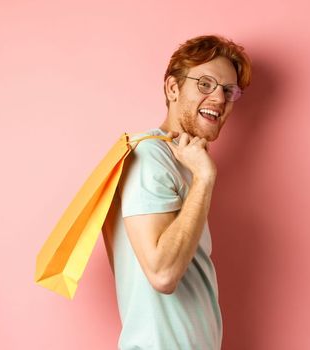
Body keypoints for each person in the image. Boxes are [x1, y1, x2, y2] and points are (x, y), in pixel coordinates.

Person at [101, 34, 252, 349]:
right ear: (173, 88)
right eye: (205, 84)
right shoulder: (150, 157)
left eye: (228, 90)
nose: (220, 99)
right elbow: (163, 274)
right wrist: (205, 178)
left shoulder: (183, 161)